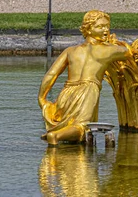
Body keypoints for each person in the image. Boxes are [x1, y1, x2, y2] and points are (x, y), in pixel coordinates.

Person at [38, 10, 128, 145]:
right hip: (88, 90)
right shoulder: (108, 50)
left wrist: (41, 98)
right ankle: (55, 136)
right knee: (82, 127)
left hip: (66, 92)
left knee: (70, 125)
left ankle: (58, 143)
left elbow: (51, 74)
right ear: (88, 29)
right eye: (100, 27)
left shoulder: (70, 51)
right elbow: (130, 53)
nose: (105, 30)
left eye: (107, 27)